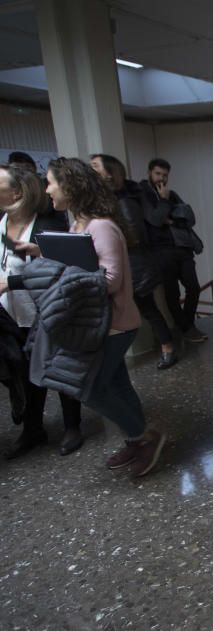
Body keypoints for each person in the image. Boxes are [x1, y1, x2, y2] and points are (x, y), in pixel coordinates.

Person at [7, 158, 165, 477]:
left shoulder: (101, 226)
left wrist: (61, 278)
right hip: (100, 326)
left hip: (114, 325)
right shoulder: (78, 225)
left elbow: (111, 279)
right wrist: (41, 254)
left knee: (89, 389)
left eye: (51, 182)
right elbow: (81, 264)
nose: (47, 189)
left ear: (70, 187)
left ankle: (147, 438)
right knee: (117, 384)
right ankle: (137, 439)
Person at [0, 164, 83, 458]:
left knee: (59, 368)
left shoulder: (49, 226)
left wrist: (10, 282)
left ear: (18, 192)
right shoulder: (1, 222)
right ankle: (33, 429)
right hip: (12, 315)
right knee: (25, 373)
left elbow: (57, 272)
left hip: (46, 310)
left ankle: (73, 426)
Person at [91, 154, 177, 370]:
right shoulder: (108, 200)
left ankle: (168, 347)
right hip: (124, 263)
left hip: (133, 264)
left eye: (95, 166)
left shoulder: (125, 200)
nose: (90, 170)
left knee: (147, 309)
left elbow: (134, 234)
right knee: (144, 309)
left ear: (109, 173)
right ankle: (166, 346)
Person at [139, 159, 207, 344]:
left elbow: (188, 218)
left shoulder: (172, 194)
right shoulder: (143, 194)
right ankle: (187, 328)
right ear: (149, 173)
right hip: (160, 250)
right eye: (158, 174)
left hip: (182, 248)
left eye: (165, 175)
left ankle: (186, 324)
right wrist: (163, 202)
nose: (162, 178)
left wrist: (171, 219)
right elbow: (154, 219)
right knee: (172, 293)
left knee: (193, 287)